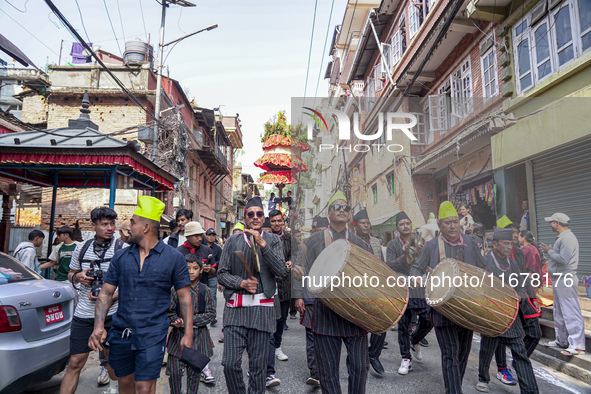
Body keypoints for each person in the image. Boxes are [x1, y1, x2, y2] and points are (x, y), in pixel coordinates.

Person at [89, 196, 194, 394]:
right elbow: (106, 292)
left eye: (133, 222)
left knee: (144, 388)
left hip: (153, 333)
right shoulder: (121, 256)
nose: (129, 226)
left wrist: (188, 332)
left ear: (146, 227)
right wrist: (99, 326)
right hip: (121, 332)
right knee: (125, 383)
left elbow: (184, 297)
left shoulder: (174, 257)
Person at [299, 191, 372, 394]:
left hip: (355, 316)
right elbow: (300, 269)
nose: (342, 210)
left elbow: (373, 278)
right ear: (329, 213)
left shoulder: (362, 244)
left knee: (360, 367)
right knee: (327, 372)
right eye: (336, 207)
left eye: (345, 208)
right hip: (325, 316)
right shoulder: (313, 241)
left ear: (350, 215)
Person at [410, 201, 486, 394]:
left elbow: (484, 269)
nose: (452, 226)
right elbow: (416, 267)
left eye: (455, 222)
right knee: (450, 354)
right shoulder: (432, 245)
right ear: (440, 226)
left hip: (467, 307)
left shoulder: (471, 243)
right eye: (447, 223)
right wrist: (415, 278)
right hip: (442, 310)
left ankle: (454, 387)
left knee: (462, 353)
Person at [217, 196, 288, 393]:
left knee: (258, 369)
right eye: (251, 214)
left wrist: (262, 244)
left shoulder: (273, 240)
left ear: (263, 218)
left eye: (259, 214)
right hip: (236, 312)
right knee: (230, 364)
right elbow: (221, 274)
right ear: (245, 217)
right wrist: (241, 283)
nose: (255, 217)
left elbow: (282, 272)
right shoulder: (232, 241)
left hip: (262, 313)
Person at [60, 207, 123, 394]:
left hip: (113, 313)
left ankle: (114, 388)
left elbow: (131, 284)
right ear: (94, 225)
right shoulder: (82, 247)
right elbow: (70, 273)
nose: (110, 228)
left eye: (112, 224)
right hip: (84, 313)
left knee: (114, 364)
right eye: (104, 224)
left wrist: (108, 296)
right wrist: (79, 277)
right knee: (74, 362)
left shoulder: (122, 248)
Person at [475, 228, 539, 393]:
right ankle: (483, 377)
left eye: (511, 243)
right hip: (493, 314)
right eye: (505, 243)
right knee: (487, 348)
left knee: (521, 353)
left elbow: (522, 285)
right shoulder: (485, 261)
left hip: (511, 314)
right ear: (494, 244)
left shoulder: (513, 263)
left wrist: (520, 295)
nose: (509, 246)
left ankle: (530, 391)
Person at [386, 212, 432, 376]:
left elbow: (428, 262)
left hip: (420, 286)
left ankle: (414, 340)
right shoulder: (393, 244)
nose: (405, 226)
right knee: (404, 325)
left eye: (408, 223)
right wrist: (404, 253)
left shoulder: (421, 241)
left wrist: (423, 251)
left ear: (411, 225)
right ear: (397, 228)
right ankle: (406, 358)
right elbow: (389, 265)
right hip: (402, 287)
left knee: (429, 319)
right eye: (402, 224)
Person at [166, 254, 216, 393]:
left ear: (201, 270)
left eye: (195, 268)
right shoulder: (175, 290)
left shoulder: (205, 290)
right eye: (187, 268)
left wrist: (188, 321)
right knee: (174, 372)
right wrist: (175, 320)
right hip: (178, 338)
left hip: (199, 338)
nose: (191, 271)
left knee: (194, 374)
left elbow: (211, 314)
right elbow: (169, 311)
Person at [540, 213, 586, 355]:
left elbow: (564, 259)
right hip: (559, 279)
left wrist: (550, 251)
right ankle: (562, 340)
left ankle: (577, 345)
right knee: (559, 312)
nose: (550, 225)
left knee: (570, 312)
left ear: (557, 223)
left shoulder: (567, 239)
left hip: (565, 279)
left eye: (551, 222)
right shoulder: (564, 238)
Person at [353, 209, 388, 375]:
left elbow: (382, 263)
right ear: (355, 225)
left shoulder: (376, 242)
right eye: (363, 223)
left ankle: (373, 354)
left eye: (368, 222)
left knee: (383, 321)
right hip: (357, 287)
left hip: (375, 287)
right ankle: (360, 358)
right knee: (360, 327)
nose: (366, 225)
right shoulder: (351, 241)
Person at [266, 209, 292, 385]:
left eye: (279, 221)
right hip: (269, 283)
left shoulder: (288, 238)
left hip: (285, 283)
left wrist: (292, 262)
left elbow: (293, 255)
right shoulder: (264, 237)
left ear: (283, 222)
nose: (276, 224)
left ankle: (277, 346)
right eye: (273, 221)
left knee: (282, 318)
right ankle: (267, 347)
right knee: (270, 319)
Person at [203, 228, 223, 317]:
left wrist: (213, 265)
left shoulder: (218, 249)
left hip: (213, 275)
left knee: (212, 295)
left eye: (213, 235)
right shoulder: (201, 247)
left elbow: (221, 261)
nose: (211, 237)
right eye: (209, 235)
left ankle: (212, 315)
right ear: (206, 236)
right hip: (202, 275)